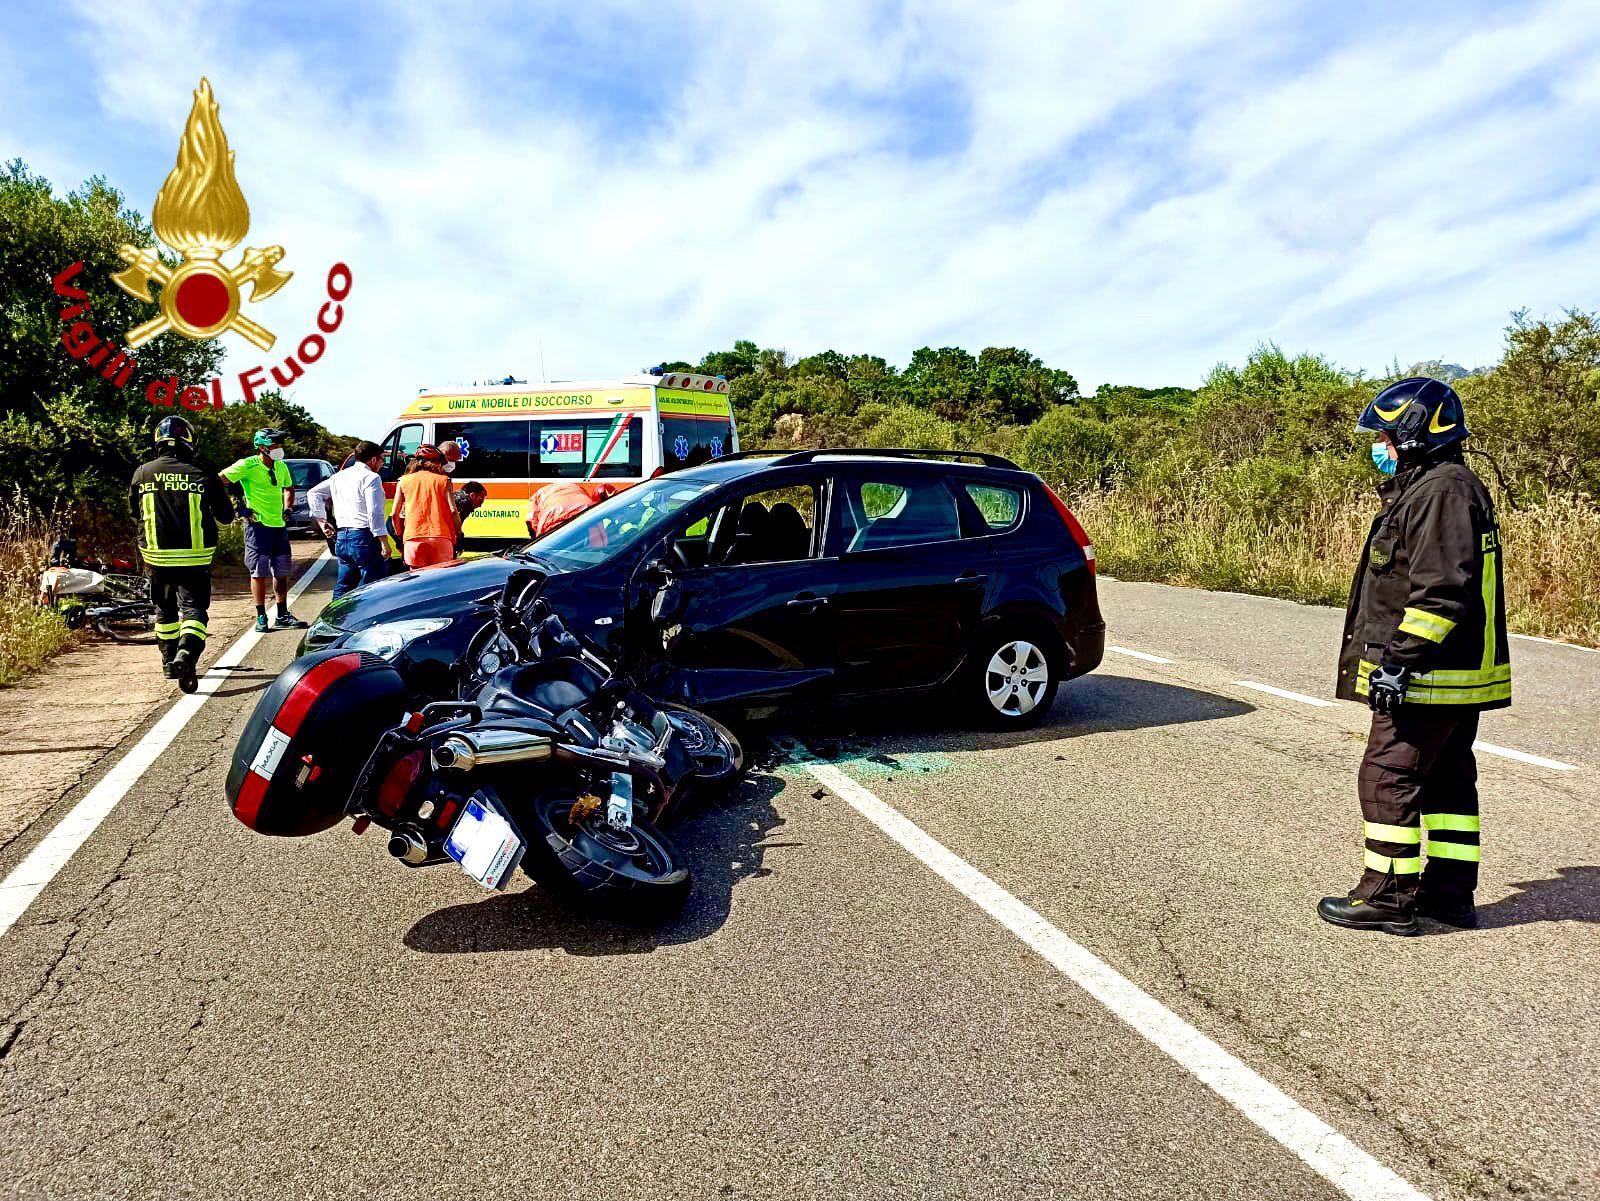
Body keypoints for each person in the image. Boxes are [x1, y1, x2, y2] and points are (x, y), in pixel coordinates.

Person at [1320, 378, 1509, 936]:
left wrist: (1400, 660)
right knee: (1448, 781)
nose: (1378, 445)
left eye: (1383, 434)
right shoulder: (1445, 486)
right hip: (1454, 671)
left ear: (1412, 431)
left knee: (1387, 776)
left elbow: (1441, 591)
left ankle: (1387, 895)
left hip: (1429, 672)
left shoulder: (1439, 493)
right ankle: (1448, 894)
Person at [129, 416, 234, 692]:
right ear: (189, 440)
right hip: (195, 559)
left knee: (164, 610)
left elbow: (134, 512)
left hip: (157, 559)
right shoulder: (202, 472)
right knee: (194, 610)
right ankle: (186, 653)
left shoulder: (143, 472)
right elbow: (226, 516)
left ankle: (168, 662)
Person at [221, 428, 305, 631]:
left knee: (282, 571)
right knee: (259, 572)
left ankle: (282, 614)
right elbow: (219, 481)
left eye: (280, 445)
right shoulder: (247, 465)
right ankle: (261, 617)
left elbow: (289, 488)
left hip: (279, 525)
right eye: (274, 446)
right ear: (261, 447)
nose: (279, 449)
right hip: (257, 526)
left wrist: (288, 507)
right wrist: (237, 506)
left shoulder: (281, 466)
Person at [308, 440, 394, 598]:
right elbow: (374, 512)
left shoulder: (338, 477)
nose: (383, 463)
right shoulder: (371, 478)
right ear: (374, 459)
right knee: (372, 588)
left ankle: (336, 618)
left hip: (343, 537)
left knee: (344, 586)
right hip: (364, 537)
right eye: (383, 459)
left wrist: (322, 520)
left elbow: (313, 493)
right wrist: (384, 541)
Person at [391, 443, 460, 568]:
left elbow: (394, 513)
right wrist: (458, 532)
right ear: (436, 463)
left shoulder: (403, 481)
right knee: (441, 580)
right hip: (441, 538)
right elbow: (453, 510)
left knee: (418, 582)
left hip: (413, 538)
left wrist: (400, 535)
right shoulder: (444, 480)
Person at [525, 480, 616, 539]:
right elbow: (599, 541)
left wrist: (535, 539)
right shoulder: (581, 494)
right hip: (584, 512)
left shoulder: (538, 496)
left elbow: (531, 520)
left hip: (552, 518)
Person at [452, 480, 487, 554]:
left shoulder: (455, 496)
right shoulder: (466, 502)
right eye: (480, 500)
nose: (480, 506)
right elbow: (456, 527)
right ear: (472, 495)